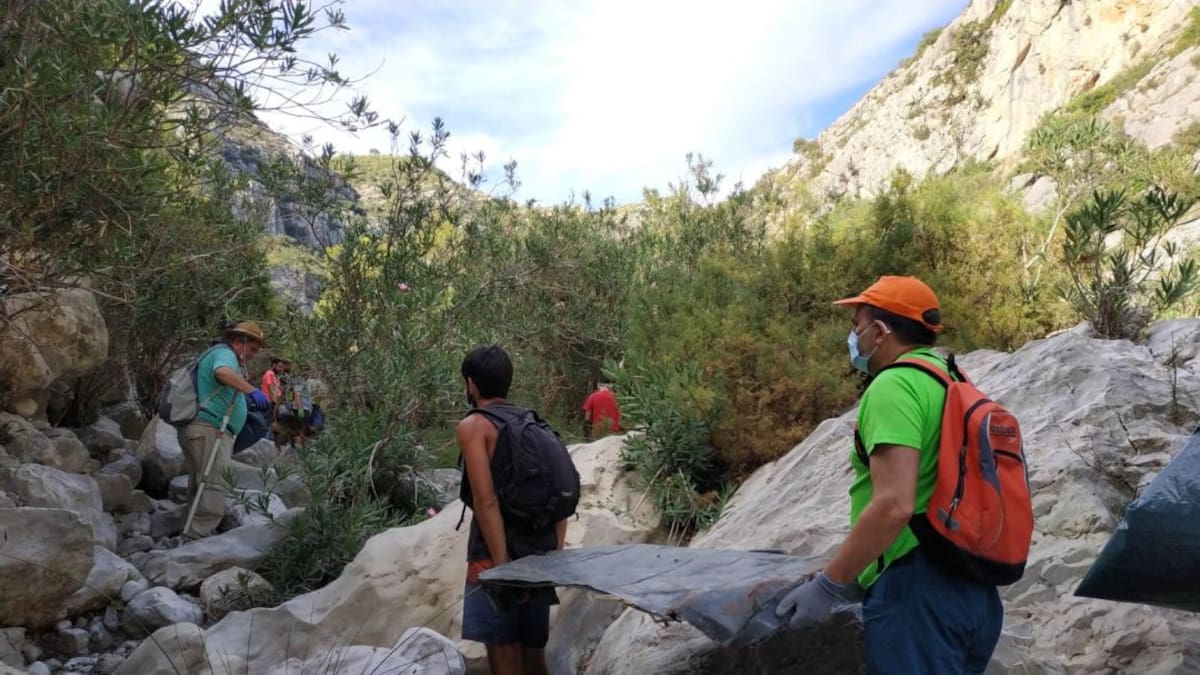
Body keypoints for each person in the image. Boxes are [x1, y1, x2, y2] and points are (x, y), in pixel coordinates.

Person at [775, 276, 1003, 674]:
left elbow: (894, 505)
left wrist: (831, 582)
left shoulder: (894, 386)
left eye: (856, 327)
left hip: (916, 592)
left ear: (880, 332)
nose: (854, 338)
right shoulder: (954, 379)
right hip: (974, 590)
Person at [457, 345, 566, 675]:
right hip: (538, 558)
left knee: (505, 662)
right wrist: (554, 554)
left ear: (471, 384)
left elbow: (485, 501)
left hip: (493, 560)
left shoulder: (475, 426)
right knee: (534, 657)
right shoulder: (535, 423)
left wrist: (504, 570)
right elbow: (561, 495)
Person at [179, 321, 271, 539]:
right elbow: (222, 373)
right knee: (213, 482)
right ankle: (199, 536)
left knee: (201, 481)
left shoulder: (222, 353)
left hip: (203, 427)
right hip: (210, 427)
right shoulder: (226, 354)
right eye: (252, 350)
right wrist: (252, 391)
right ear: (240, 342)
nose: (252, 355)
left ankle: (190, 529)